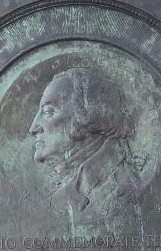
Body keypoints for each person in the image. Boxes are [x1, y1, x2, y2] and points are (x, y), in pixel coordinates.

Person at [29, 67, 141, 216]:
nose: (33, 128)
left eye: (49, 112)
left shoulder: (123, 186)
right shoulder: (54, 179)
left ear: (86, 119)